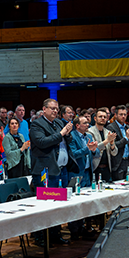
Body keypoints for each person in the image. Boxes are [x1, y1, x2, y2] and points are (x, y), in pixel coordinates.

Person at [29, 99, 76, 246]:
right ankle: (41, 236)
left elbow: (67, 140)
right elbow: (42, 142)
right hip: (45, 172)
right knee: (45, 205)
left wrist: (67, 133)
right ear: (44, 109)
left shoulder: (59, 123)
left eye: (57, 109)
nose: (55, 111)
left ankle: (55, 234)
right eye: (52, 109)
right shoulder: (37, 124)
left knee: (58, 205)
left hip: (61, 170)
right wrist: (62, 133)